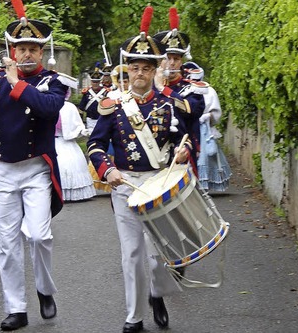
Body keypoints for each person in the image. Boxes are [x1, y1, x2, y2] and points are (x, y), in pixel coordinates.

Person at [87, 6, 191, 332]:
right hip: (125, 185)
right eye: (135, 67)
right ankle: (134, 317)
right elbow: (95, 145)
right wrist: (107, 171)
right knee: (131, 254)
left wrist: (186, 150)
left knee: (157, 254)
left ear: (154, 69)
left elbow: (182, 139)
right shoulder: (113, 105)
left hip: (159, 183)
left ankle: (157, 294)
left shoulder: (167, 104)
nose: (141, 73)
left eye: (147, 67)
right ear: (127, 70)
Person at [0, 1, 67, 330]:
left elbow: (48, 109)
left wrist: (16, 84)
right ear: (13, 49)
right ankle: (16, 308)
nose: (26, 55)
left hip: (36, 167)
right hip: (2, 170)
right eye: (21, 48)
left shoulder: (53, 82)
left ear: (42, 53)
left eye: (32, 49)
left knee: (39, 236)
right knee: (8, 243)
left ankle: (44, 289)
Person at [153, 7, 206, 176]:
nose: (171, 63)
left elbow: (192, 110)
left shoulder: (191, 88)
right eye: (167, 58)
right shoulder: (148, 87)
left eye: (176, 59)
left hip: (182, 152)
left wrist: (163, 89)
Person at [183, 61, 232, 191]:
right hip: (188, 127)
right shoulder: (183, 89)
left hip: (204, 130)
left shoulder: (209, 90)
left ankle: (205, 184)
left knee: (206, 155)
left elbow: (216, 113)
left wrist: (206, 118)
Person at [56, 75, 96, 201]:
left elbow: (77, 125)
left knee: (68, 164)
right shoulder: (46, 104)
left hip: (67, 143)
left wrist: (82, 131)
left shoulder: (69, 107)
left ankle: (71, 192)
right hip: (50, 142)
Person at [78, 67, 109, 132]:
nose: (95, 84)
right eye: (93, 82)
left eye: (97, 82)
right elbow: (81, 108)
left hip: (102, 119)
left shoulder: (106, 92)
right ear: (91, 82)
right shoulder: (86, 92)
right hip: (90, 120)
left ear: (100, 81)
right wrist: (81, 122)